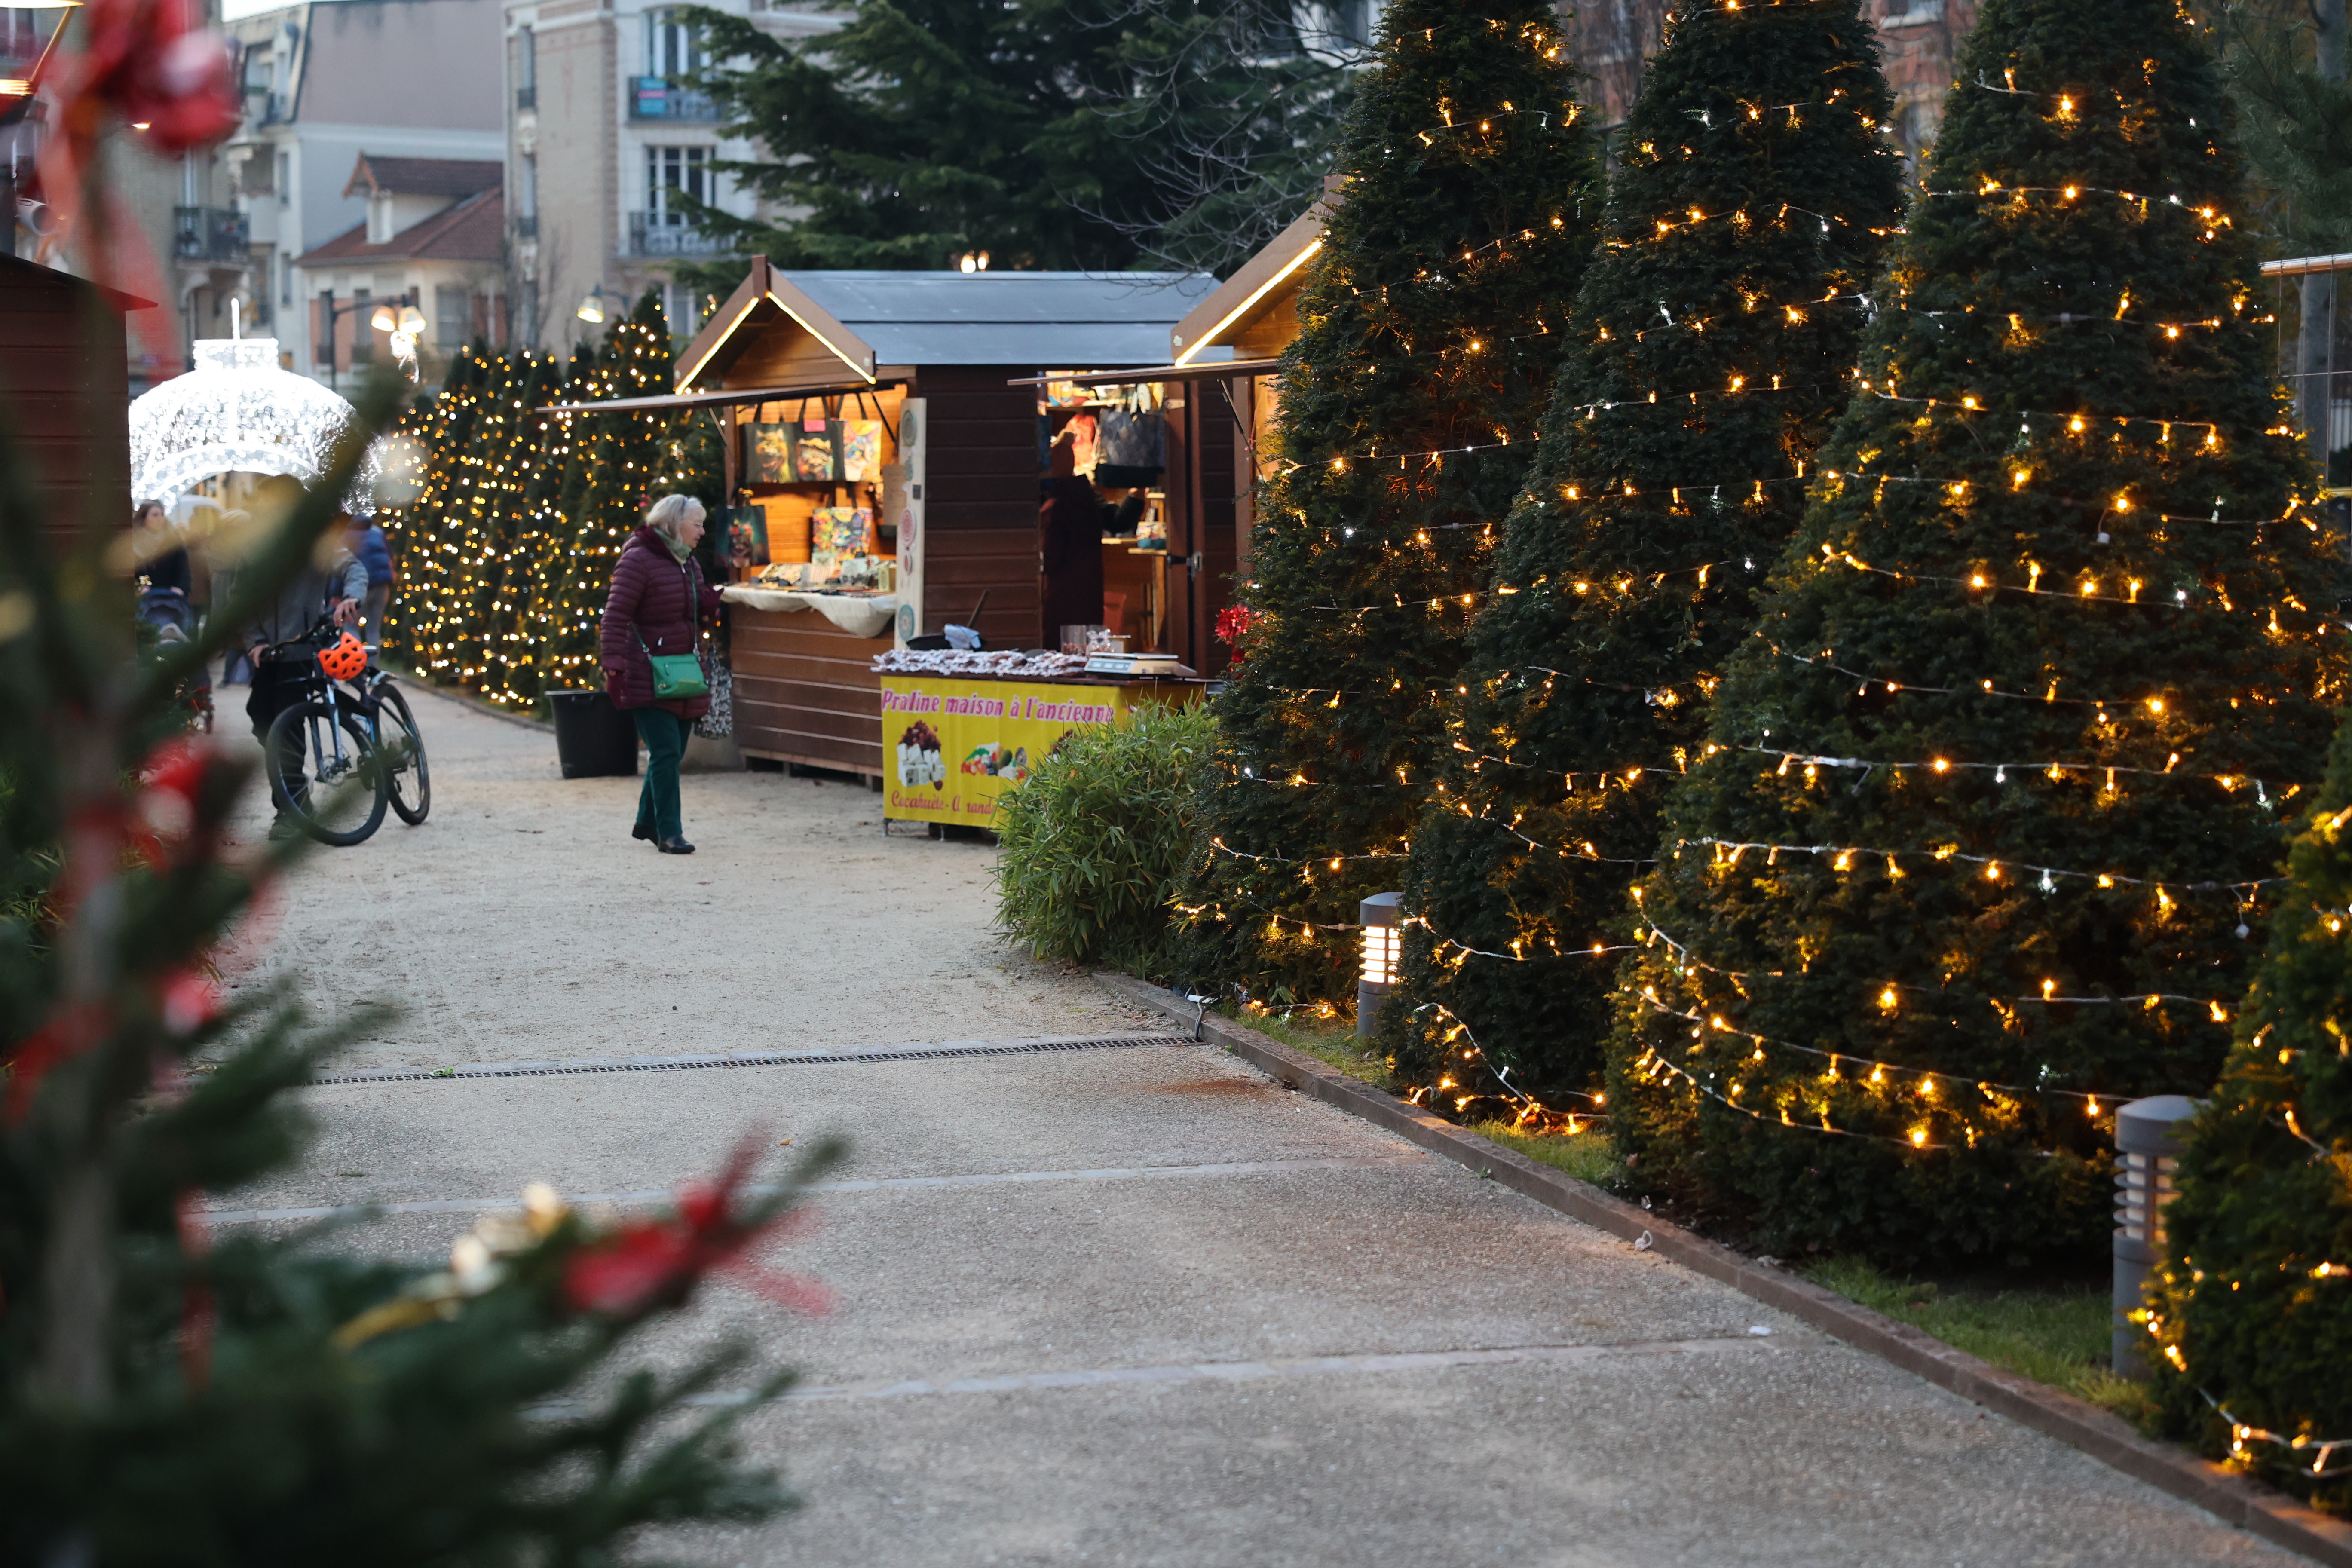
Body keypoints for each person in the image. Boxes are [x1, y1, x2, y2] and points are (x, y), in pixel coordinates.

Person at [222, 479, 367, 836]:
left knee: (288, 728)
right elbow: (241, 597)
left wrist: (352, 597)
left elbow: (354, 569)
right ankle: (297, 797)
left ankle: (290, 812)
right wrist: (254, 641)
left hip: (300, 648)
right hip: (267, 654)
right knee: (261, 719)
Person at [600, 494, 722, 855]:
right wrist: (614, 666)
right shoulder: (638, 560)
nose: (702, 531)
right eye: (697, 524)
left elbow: (693, 607)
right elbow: (615, 616)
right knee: (666, 751)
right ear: (674, 524)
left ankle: (648, 823)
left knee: (671, 753)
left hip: (685, 670)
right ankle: (671, 832)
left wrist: (711, 603)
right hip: (648, 671)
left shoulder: (688, 561)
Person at [347, 509, 395, 649]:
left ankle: (355, 664)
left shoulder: (349, 536)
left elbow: (344, 565)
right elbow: (391, 557)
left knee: (351, 626)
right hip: (384, 586)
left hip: (362, 586)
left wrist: (336, 594)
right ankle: (371, 667)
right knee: (374, 628)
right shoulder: (378, 532)